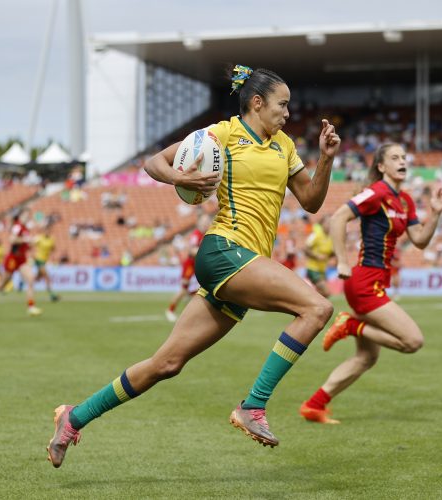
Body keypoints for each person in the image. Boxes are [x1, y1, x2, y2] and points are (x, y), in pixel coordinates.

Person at [46, 64, 341, 468]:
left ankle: (73, 418)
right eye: (282, 104)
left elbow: (310, 200)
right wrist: (182, 179)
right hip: (225, 250)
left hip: (244, 263)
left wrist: (325, 159)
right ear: (257, 102)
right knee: (317, 307)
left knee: (165, 364)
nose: (288, 113)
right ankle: (253, 407)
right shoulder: (223, 134)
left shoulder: (284, 146)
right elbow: (154, 164)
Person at [299, 143, 442, 424]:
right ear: (381, 167)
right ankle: (350, 325)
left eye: (405, 157)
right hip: (364, 283)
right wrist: (342, 261)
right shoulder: (377, 192)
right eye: (395, 158)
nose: (402, 161)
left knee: (366, 358)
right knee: (412, 341)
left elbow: (419, 240)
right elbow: (338, 217)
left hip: (375, 283)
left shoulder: (404, 200)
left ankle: (314, 405)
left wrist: (437, 212)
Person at [0, 208, 42, 316]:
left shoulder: (25, 229)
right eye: (25, 215)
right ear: (20, 216)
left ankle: (31, 307)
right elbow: (12, 239)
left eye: (28, 215)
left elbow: (24, 244)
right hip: (13, 258)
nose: (27, 217)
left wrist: (32, 243)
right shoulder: (17, 226)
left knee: (30, 279)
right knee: (3, 285)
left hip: (22, 259)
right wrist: (27, 240)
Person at [165, 213, 211, 322]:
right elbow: (192, 250)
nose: (205, 224)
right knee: (183, 289)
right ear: (199, 222)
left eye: (207, 221)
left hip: (199, 264)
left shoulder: (206, 234)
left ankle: (194, 306)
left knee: (203, 288)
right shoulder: (196, 234)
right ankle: (170, 310)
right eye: (203, 221)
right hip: (190, 264)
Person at [303, 215, 334, 297]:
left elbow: (330, 254)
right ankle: (306, 299)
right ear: (322, 224)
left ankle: (307, 300)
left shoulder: (330, 238)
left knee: (324, 295)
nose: (329, 225)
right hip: (313, 268)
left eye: (330, 223)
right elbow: (305, 249)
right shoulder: (316, 235)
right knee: (326, 292)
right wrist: (317, 256)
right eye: (327, 223)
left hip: (323, 269)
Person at [33, 227, 59, 302]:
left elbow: (53, 248)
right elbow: (31, 245)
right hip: (38, 259)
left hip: (44, 260)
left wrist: (52, 255)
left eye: (48, 230)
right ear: (43, 231)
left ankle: (22, 283)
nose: (47, 232)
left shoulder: (51, 240)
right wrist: (33, 254)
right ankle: (52, 295)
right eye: (46, 230)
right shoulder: (39, 238)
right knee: (46, 276)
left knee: (38, 277)